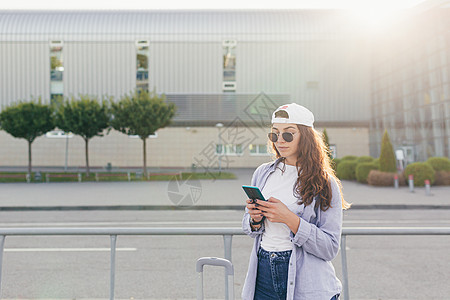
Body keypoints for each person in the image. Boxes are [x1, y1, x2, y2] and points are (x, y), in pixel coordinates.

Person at [241, 103, 351, 300]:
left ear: (306, 137)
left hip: (307, 282)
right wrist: (254, 218)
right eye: (274, 134)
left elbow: (330, 247)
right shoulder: (263, 173)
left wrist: (290, 219)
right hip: (263, 274)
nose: (280, 140)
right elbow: (249, 227)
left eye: (288, 134)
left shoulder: (325, 182)